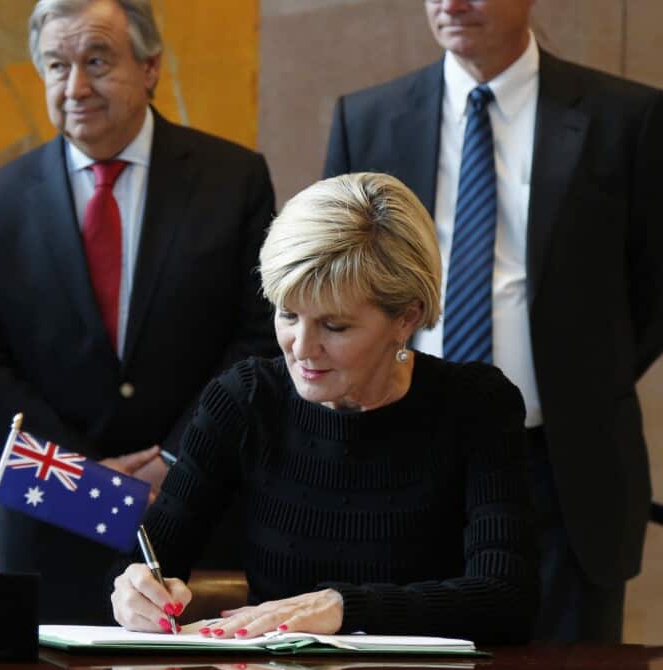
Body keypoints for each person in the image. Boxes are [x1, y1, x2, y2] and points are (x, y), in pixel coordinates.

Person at [322, 0, 663, 643]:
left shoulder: (626, 118)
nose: (451, 3)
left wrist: (578, 376)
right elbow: (336, 290)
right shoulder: (367, 120)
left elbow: (651, 291)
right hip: (404, 457)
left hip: (562, 468)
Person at [0, 0, 277, 624]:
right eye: (56, 65)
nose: (75, 87)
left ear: (150, 66)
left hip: (197, 501)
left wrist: (175, 460)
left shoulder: (233, 180)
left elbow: (258, 339)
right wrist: (79, 477)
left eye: (97, 61)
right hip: (52, 510)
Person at [111, 173, 537, 644]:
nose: (302, 348)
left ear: (407, 317)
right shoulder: (244, 399)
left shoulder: (477, 405)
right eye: (288, 315)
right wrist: (135, 591)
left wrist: (341, 606)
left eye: (334, 326)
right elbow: (151, 559)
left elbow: (506, 598)